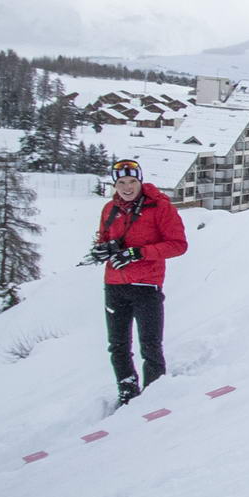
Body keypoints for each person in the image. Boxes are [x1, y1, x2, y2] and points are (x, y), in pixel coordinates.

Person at [86, 158, 189, 406]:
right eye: (121, 182)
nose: (127, 188)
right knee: (118, 346)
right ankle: (127, 393)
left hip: (146, 286)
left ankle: (154, 396)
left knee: (150, 346)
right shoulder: (110, 209)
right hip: (114, 285)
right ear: (115, 184)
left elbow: (178, 245)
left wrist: (137, 253)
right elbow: (104, 238)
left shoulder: (160, 207)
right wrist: (103, 249)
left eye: (132, 181)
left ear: (140, 181)